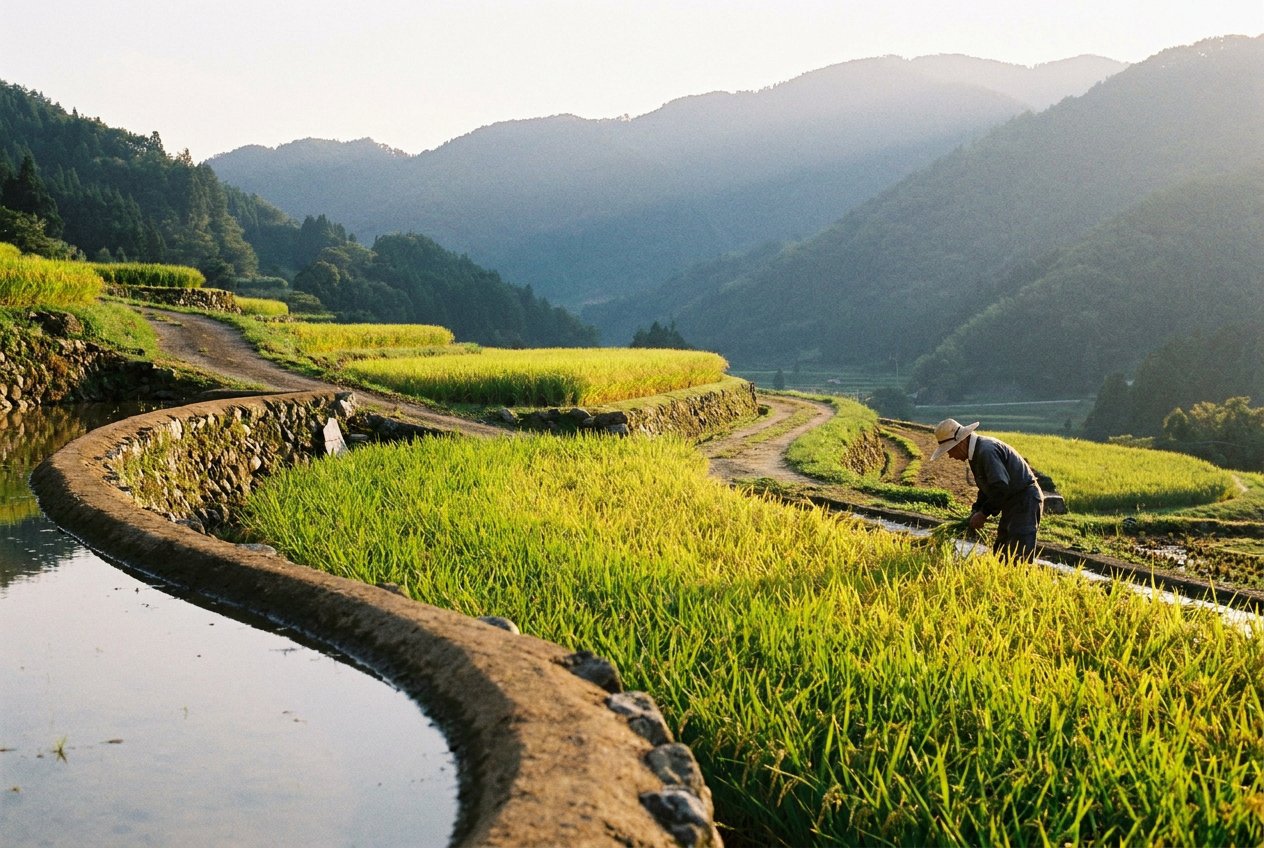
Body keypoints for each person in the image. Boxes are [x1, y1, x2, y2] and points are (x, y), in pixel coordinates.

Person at [929, 418, 1043, 562]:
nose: (950, 456)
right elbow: (986, 489)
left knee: (1017, 553)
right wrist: (976, 510)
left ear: (960, 443)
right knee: (1002, 550)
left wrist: (983, 513)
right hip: (1012, 502)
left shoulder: (986, 451)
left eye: (950, 450)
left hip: (1024, 501)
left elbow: (1000, 487)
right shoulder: (976, 453)